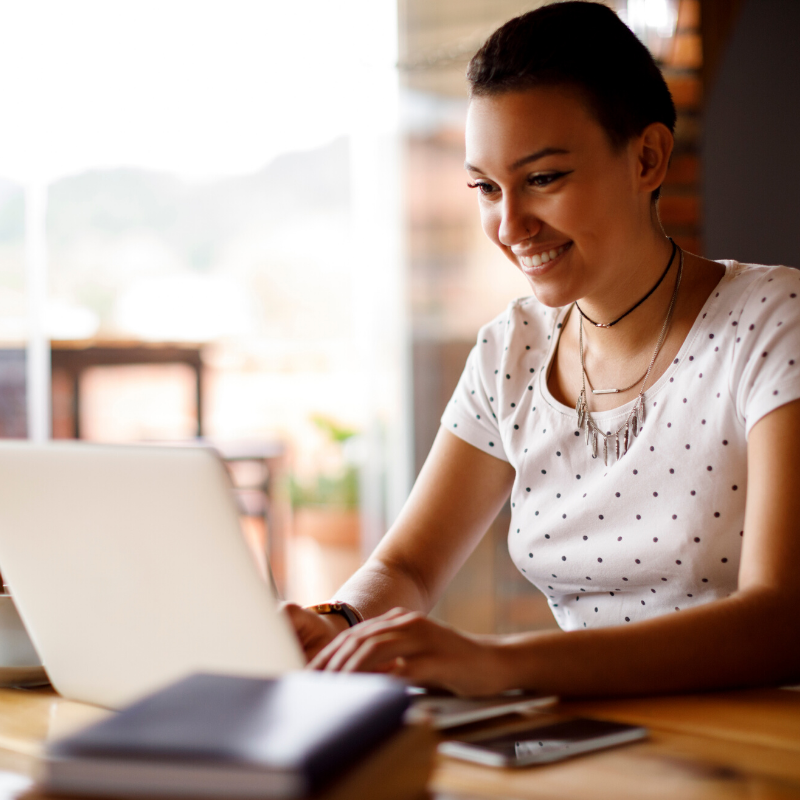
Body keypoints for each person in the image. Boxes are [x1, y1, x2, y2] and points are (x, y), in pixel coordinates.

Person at [285, 1, 800, 697]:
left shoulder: (773, 321)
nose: (510, 224)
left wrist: (502, 664)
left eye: (543, 179)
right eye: (485, 188)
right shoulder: (512, 349)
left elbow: (780, 620)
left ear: (647, 157)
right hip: (589, 741)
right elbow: (407, 567)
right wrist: (339, 622)